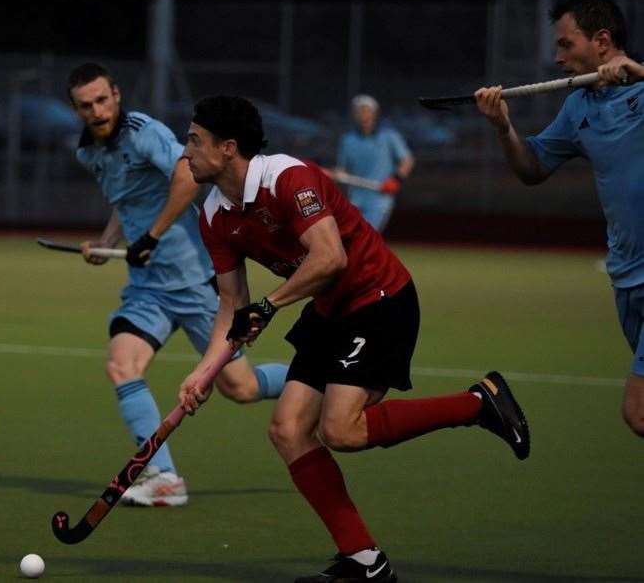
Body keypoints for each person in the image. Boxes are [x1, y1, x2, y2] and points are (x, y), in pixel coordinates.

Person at [178, 95, 530, 582]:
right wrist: (202, 373)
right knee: (287, 429)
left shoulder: (287, 177)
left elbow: (330, 259)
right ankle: (365, 560)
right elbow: (231, 305)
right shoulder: (214, 214)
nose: (185, 152)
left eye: (194, 141)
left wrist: (270, 305)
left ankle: (478, 404)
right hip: (329, 309)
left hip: (378, 297)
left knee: (341, 430)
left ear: (227, 148)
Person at [67, 63, 290, 507]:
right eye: (85, 105)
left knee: (240, 388)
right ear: (75, 109)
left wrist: (151, 235)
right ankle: (164, 476)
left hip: (195, 281)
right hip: (149, 287)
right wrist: (108, 242)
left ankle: (319, 377)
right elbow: (127, 200)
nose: (96, 111)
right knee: (122, 365)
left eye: (102, 100)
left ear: (116, 93)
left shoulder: (142, 132)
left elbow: (188, 175)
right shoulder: (89, 152)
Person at [474, 0, 644, 438]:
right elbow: (532, 168)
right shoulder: (579, 106)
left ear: (602, 41)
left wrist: (640, 74)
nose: (558, 58)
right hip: (627, 278)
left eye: (567, 45)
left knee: (638, 411)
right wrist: (504, 127)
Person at [331, 95, 414, 233]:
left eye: (366, 110)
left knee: (365, 236)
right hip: (354, 199)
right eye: (359, 111)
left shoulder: (389, 136)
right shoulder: (347, 140)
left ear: (374, 113)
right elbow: (343, 168)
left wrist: (396, 180)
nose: (363, 115)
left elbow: (407, 160)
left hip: (380, 200)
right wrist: (338, 175)